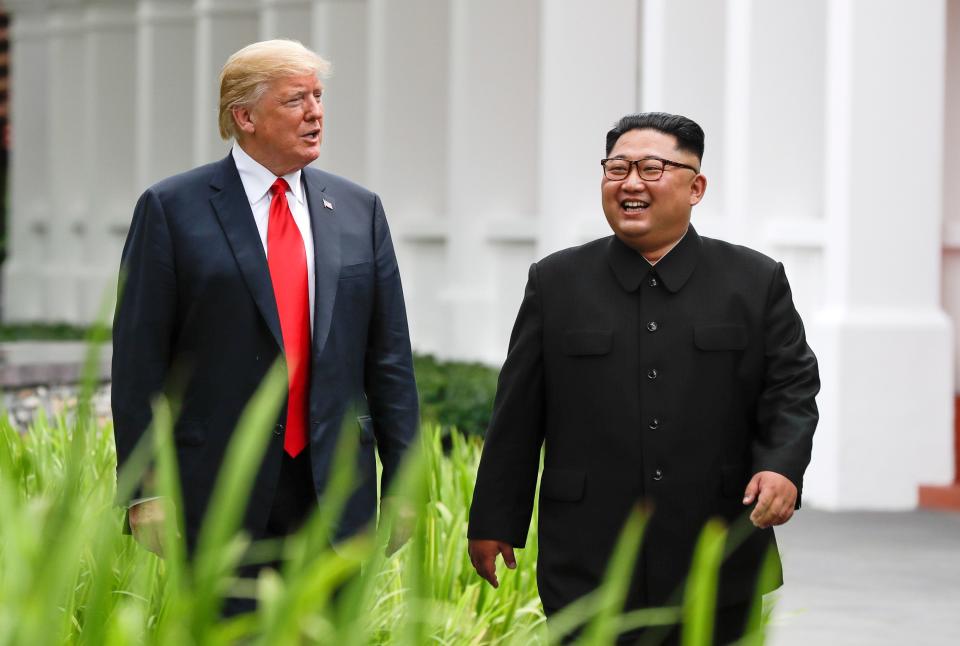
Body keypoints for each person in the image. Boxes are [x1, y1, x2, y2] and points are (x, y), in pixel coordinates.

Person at [467, 112, 819, 644]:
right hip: (588, 554)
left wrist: (782, 468)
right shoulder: (556, 282)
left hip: (717, 545)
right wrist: (495, 519)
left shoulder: (753, 281)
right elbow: (518, 412)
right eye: (617, 168)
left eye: (652, 168)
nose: (631, 183)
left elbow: (791, 387)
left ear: (696, 186)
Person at [112, 39, 418, 611]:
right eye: (296, 99)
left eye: (319, 97)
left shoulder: (360, 211)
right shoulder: (171, 209)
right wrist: (144, 488)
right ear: (244, 117)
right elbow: (139, 361)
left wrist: (403, 484)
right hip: (218, 492)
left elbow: (389, 359)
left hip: (335, 491)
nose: (315, 112)